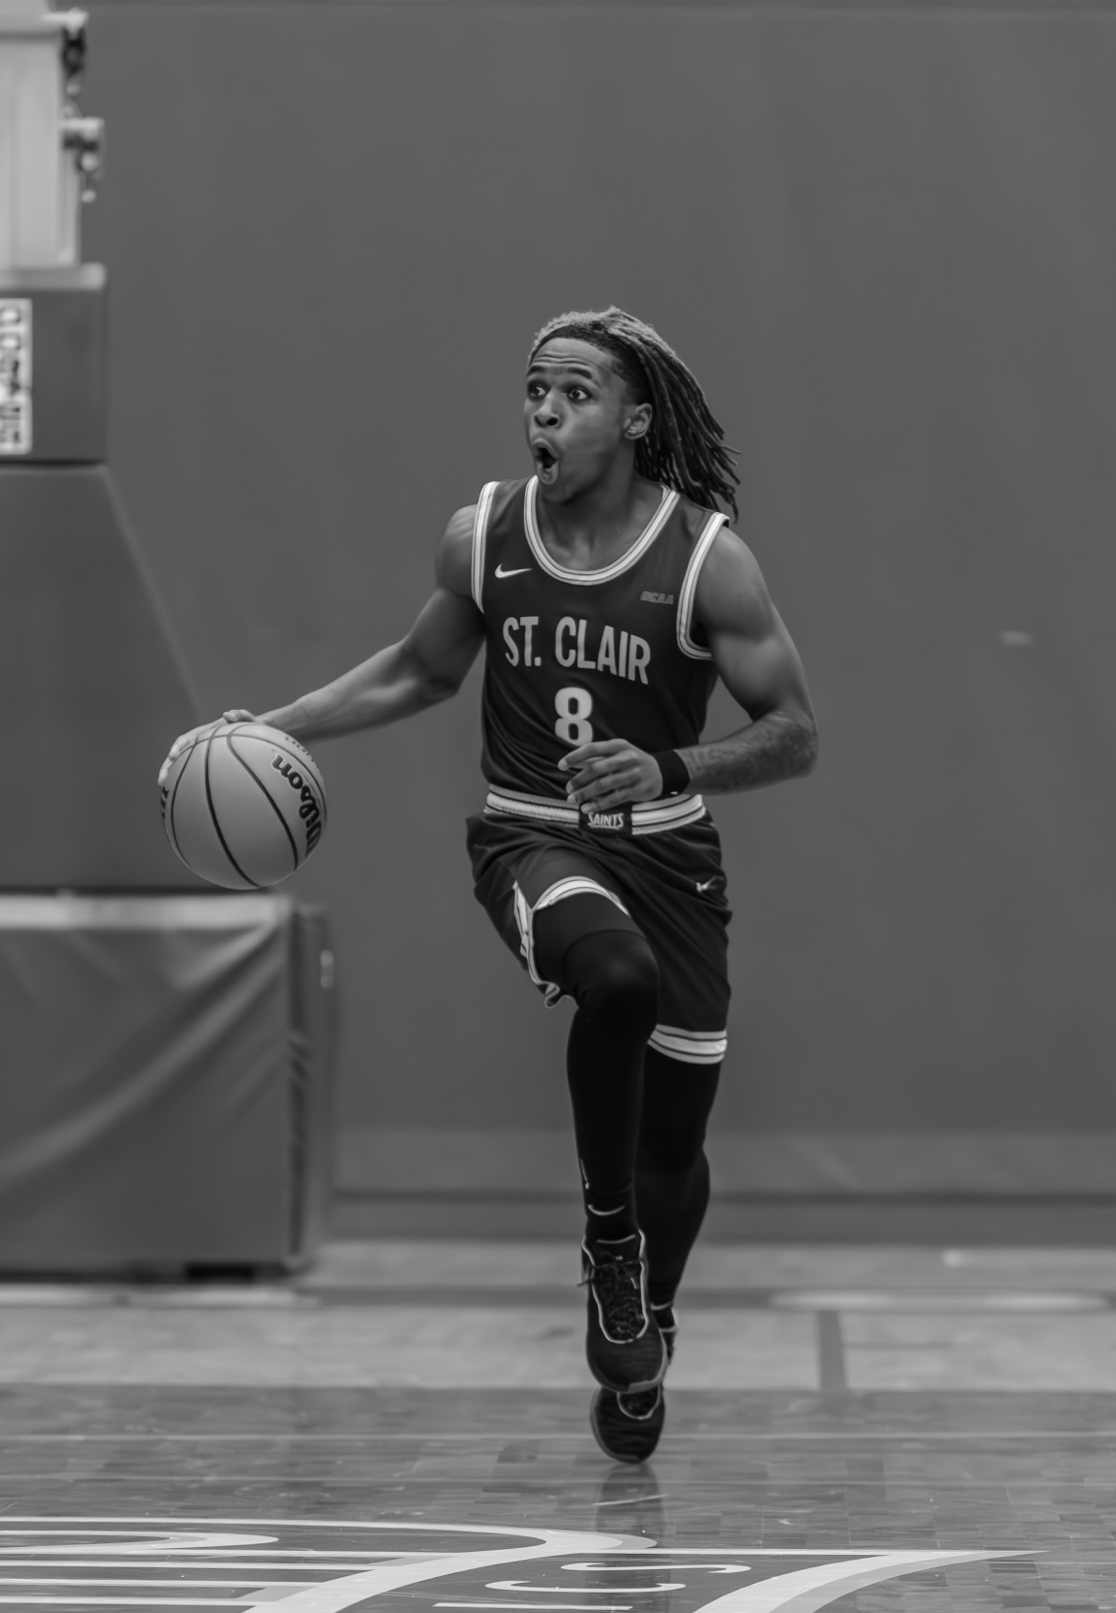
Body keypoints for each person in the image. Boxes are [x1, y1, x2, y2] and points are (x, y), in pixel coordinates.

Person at [162, 307, 817, 1462]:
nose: (545, 413)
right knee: (611, 978)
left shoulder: (705, 559)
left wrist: (669, 761)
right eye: (534, 391)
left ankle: (647, 1316)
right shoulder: (485, 534)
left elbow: (793, 734)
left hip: (665, 846)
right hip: (530, 837)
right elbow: (421, 670)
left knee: (674, 1145)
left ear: (631, 417)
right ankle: (605, 1246)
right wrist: (268, 725)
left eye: (572, 393)